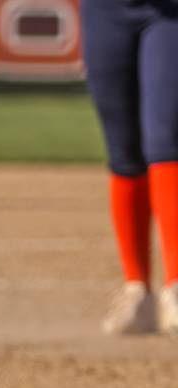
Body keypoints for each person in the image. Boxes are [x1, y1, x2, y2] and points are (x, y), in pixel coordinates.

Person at [81, 0, 178, 335]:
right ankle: (138, 291)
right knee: (123, 152)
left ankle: (176, 287)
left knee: (165, 140)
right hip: (105, 11)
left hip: (169, 12)